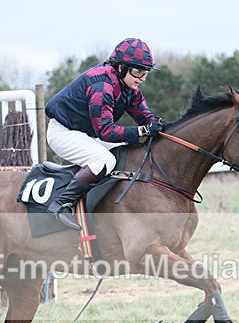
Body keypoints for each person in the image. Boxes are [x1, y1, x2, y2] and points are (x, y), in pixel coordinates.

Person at [45, 37, 165, 230]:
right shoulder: (102, 85)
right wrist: (143, 131)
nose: (142, 77)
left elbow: (146, 118)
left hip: (86, 135)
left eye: (145, 72)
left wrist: (164, 128)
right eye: (137, 71)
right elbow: (106, 132)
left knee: (129, 152)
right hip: (63, 133)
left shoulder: (129, 88)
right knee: (104, 161)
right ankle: (61, 204)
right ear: (120, 68)